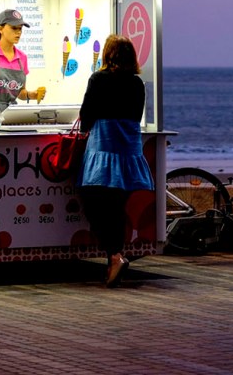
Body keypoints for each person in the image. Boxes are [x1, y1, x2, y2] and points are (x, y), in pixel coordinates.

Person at [76, 34, 154, 287]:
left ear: (108, 55)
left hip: (104, 146)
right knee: (116, 208)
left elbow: (87, 114)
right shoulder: (137, 83)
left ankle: (115, 256)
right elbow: (136, 115)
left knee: (93, 202)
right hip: (129, 150)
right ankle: (114, 259)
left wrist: (84, 128)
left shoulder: (99, 79)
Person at [0, 8, 45, 131]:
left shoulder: (22, 58)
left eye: (20, 29)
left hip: (10, 115)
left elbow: (20, 92)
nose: (18, 32)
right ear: (0, 29)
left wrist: (32, 95)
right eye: (14, 28)